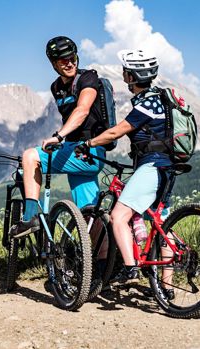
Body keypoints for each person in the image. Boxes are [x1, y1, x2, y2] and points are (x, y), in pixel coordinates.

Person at [75, 49, 174, 296]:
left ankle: (130, 269)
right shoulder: (161, 99)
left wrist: (88, 144)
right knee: (163, 226)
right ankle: (166, 286)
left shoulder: (147, 103)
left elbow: (117, 131)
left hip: (152, 165)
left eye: (125, 71)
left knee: (118, 216)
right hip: (167, 168)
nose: (123, 75)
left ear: (132, 75)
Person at [10, 36, 107, 238]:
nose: (70, 63)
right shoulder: (56, 88)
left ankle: (29, 219)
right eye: (63, 60)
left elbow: (82, 110)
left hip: (91, 150)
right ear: (54, 64)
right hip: (76, 152)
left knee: (30, 157)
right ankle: (103, 264)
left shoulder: (88, 78)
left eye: (72, 58)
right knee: (88, 215)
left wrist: (59, 136)